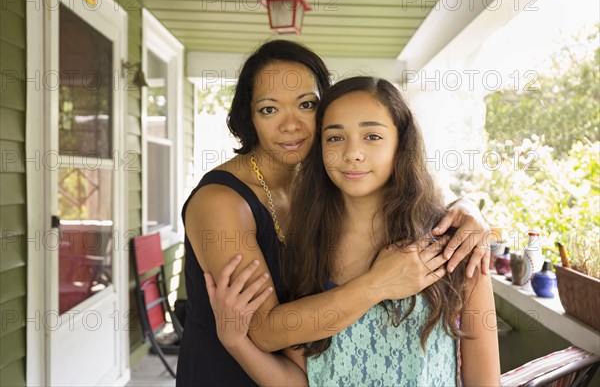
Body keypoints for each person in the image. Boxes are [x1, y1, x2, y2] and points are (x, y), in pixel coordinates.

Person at [177, 40, 492, 386]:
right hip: (226, 375)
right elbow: (264, 332)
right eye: (269, 109)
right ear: (248, 117)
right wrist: (379, 283)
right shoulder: (223, 202)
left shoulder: (312, 201)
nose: (291, 125)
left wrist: (467, 209)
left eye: (307, 104)